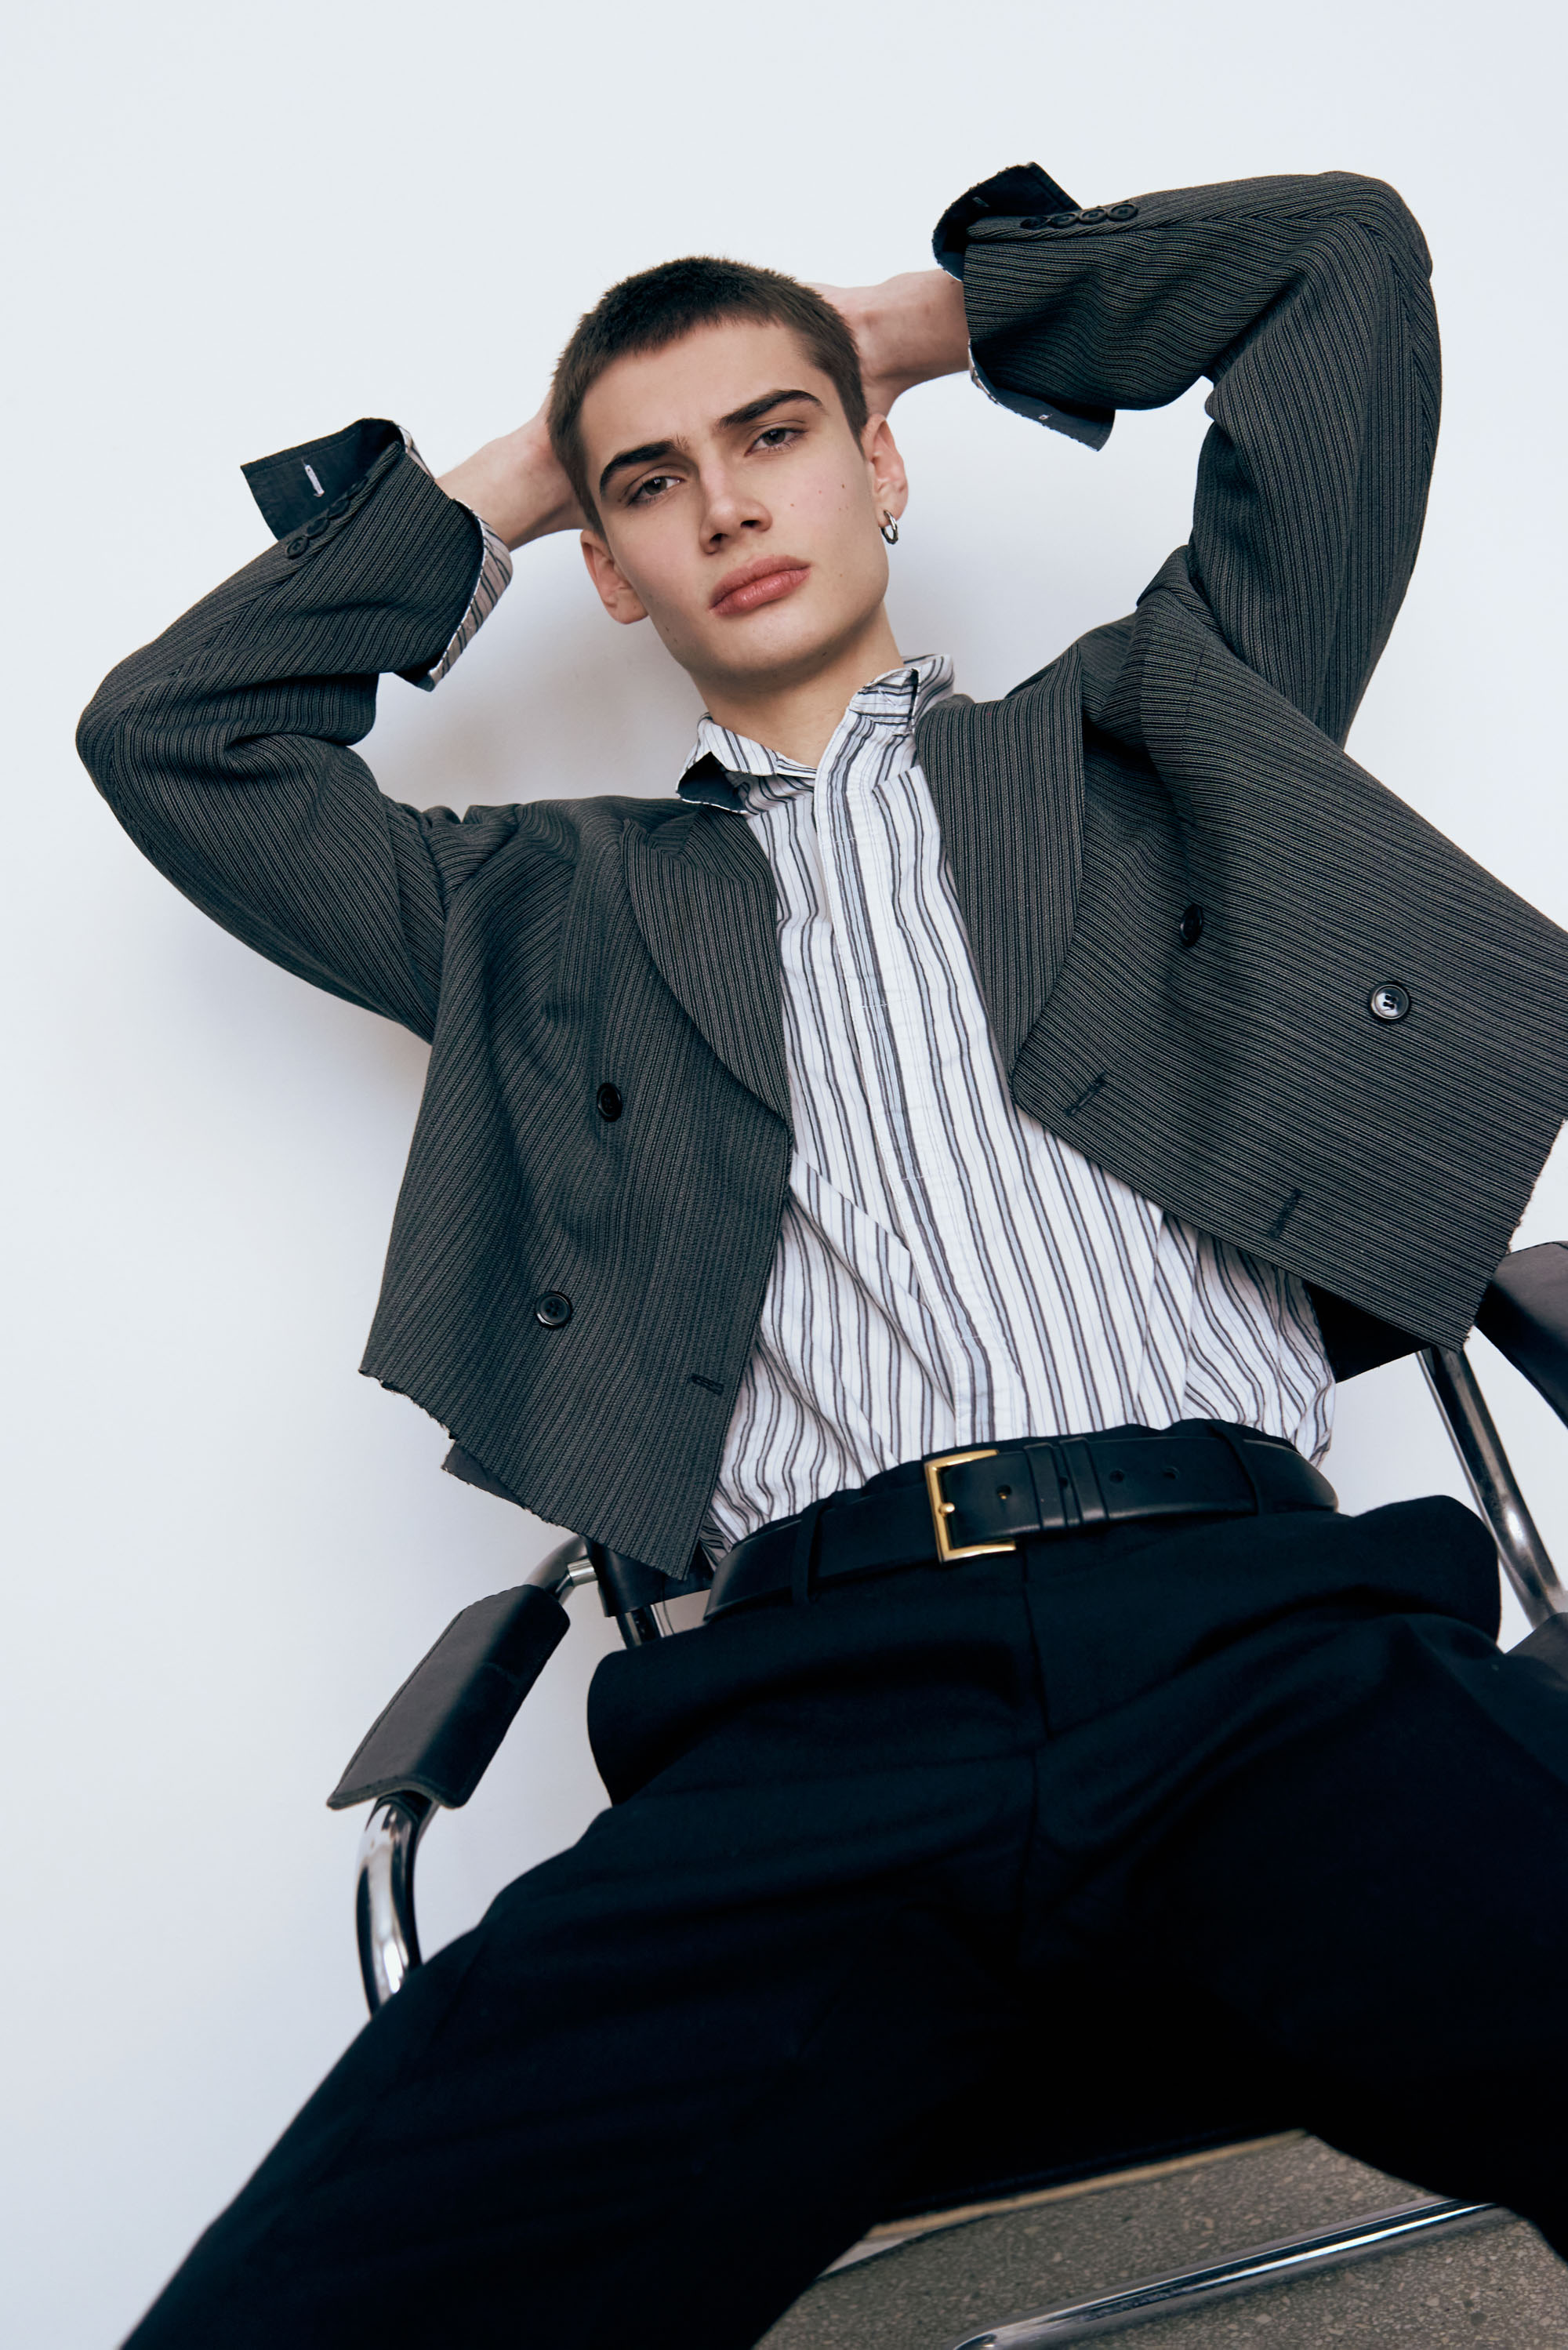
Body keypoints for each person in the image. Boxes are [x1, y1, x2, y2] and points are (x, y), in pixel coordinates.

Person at [82, 162, 1568, 2349]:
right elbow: (172, 737)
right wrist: (514, 480)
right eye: (654, 485)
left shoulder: (1161, 732)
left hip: (1254, 1646)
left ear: (880, 465)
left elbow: (1339, 266)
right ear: (608, 571)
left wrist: (919, 324)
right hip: (819, 1718)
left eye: (775, 435)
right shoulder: (536, 908)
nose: (727, 503)